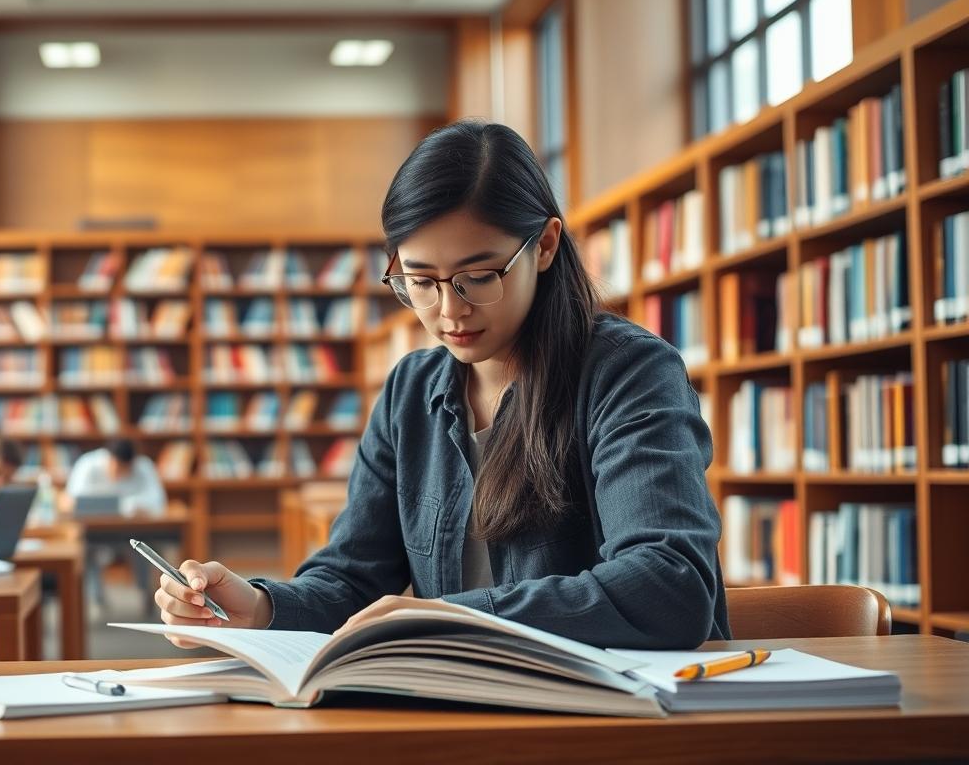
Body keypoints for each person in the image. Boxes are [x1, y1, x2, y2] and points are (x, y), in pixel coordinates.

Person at [154, 120, 730, 650]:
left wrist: (448, 617)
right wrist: (258, 608)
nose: (450, 311)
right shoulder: (411, 390)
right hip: (462, 702)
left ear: (546, 246)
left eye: (477, 276)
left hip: (617, 709)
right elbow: (353, 580)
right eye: (421, 281)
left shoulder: (628, 373)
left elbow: (668, 584)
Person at [65, 439, 168, 611]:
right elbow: (71, 501)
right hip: (94, 531)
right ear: (107, 458)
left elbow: (158, 501)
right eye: (115, 467)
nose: (118, 474)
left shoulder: (143, 467)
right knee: (84, 549)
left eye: (123, 469)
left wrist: (135, 506)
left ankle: (146, 594)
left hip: (134, 530)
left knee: (144, 547)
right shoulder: (88, 464)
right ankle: (96, 597)